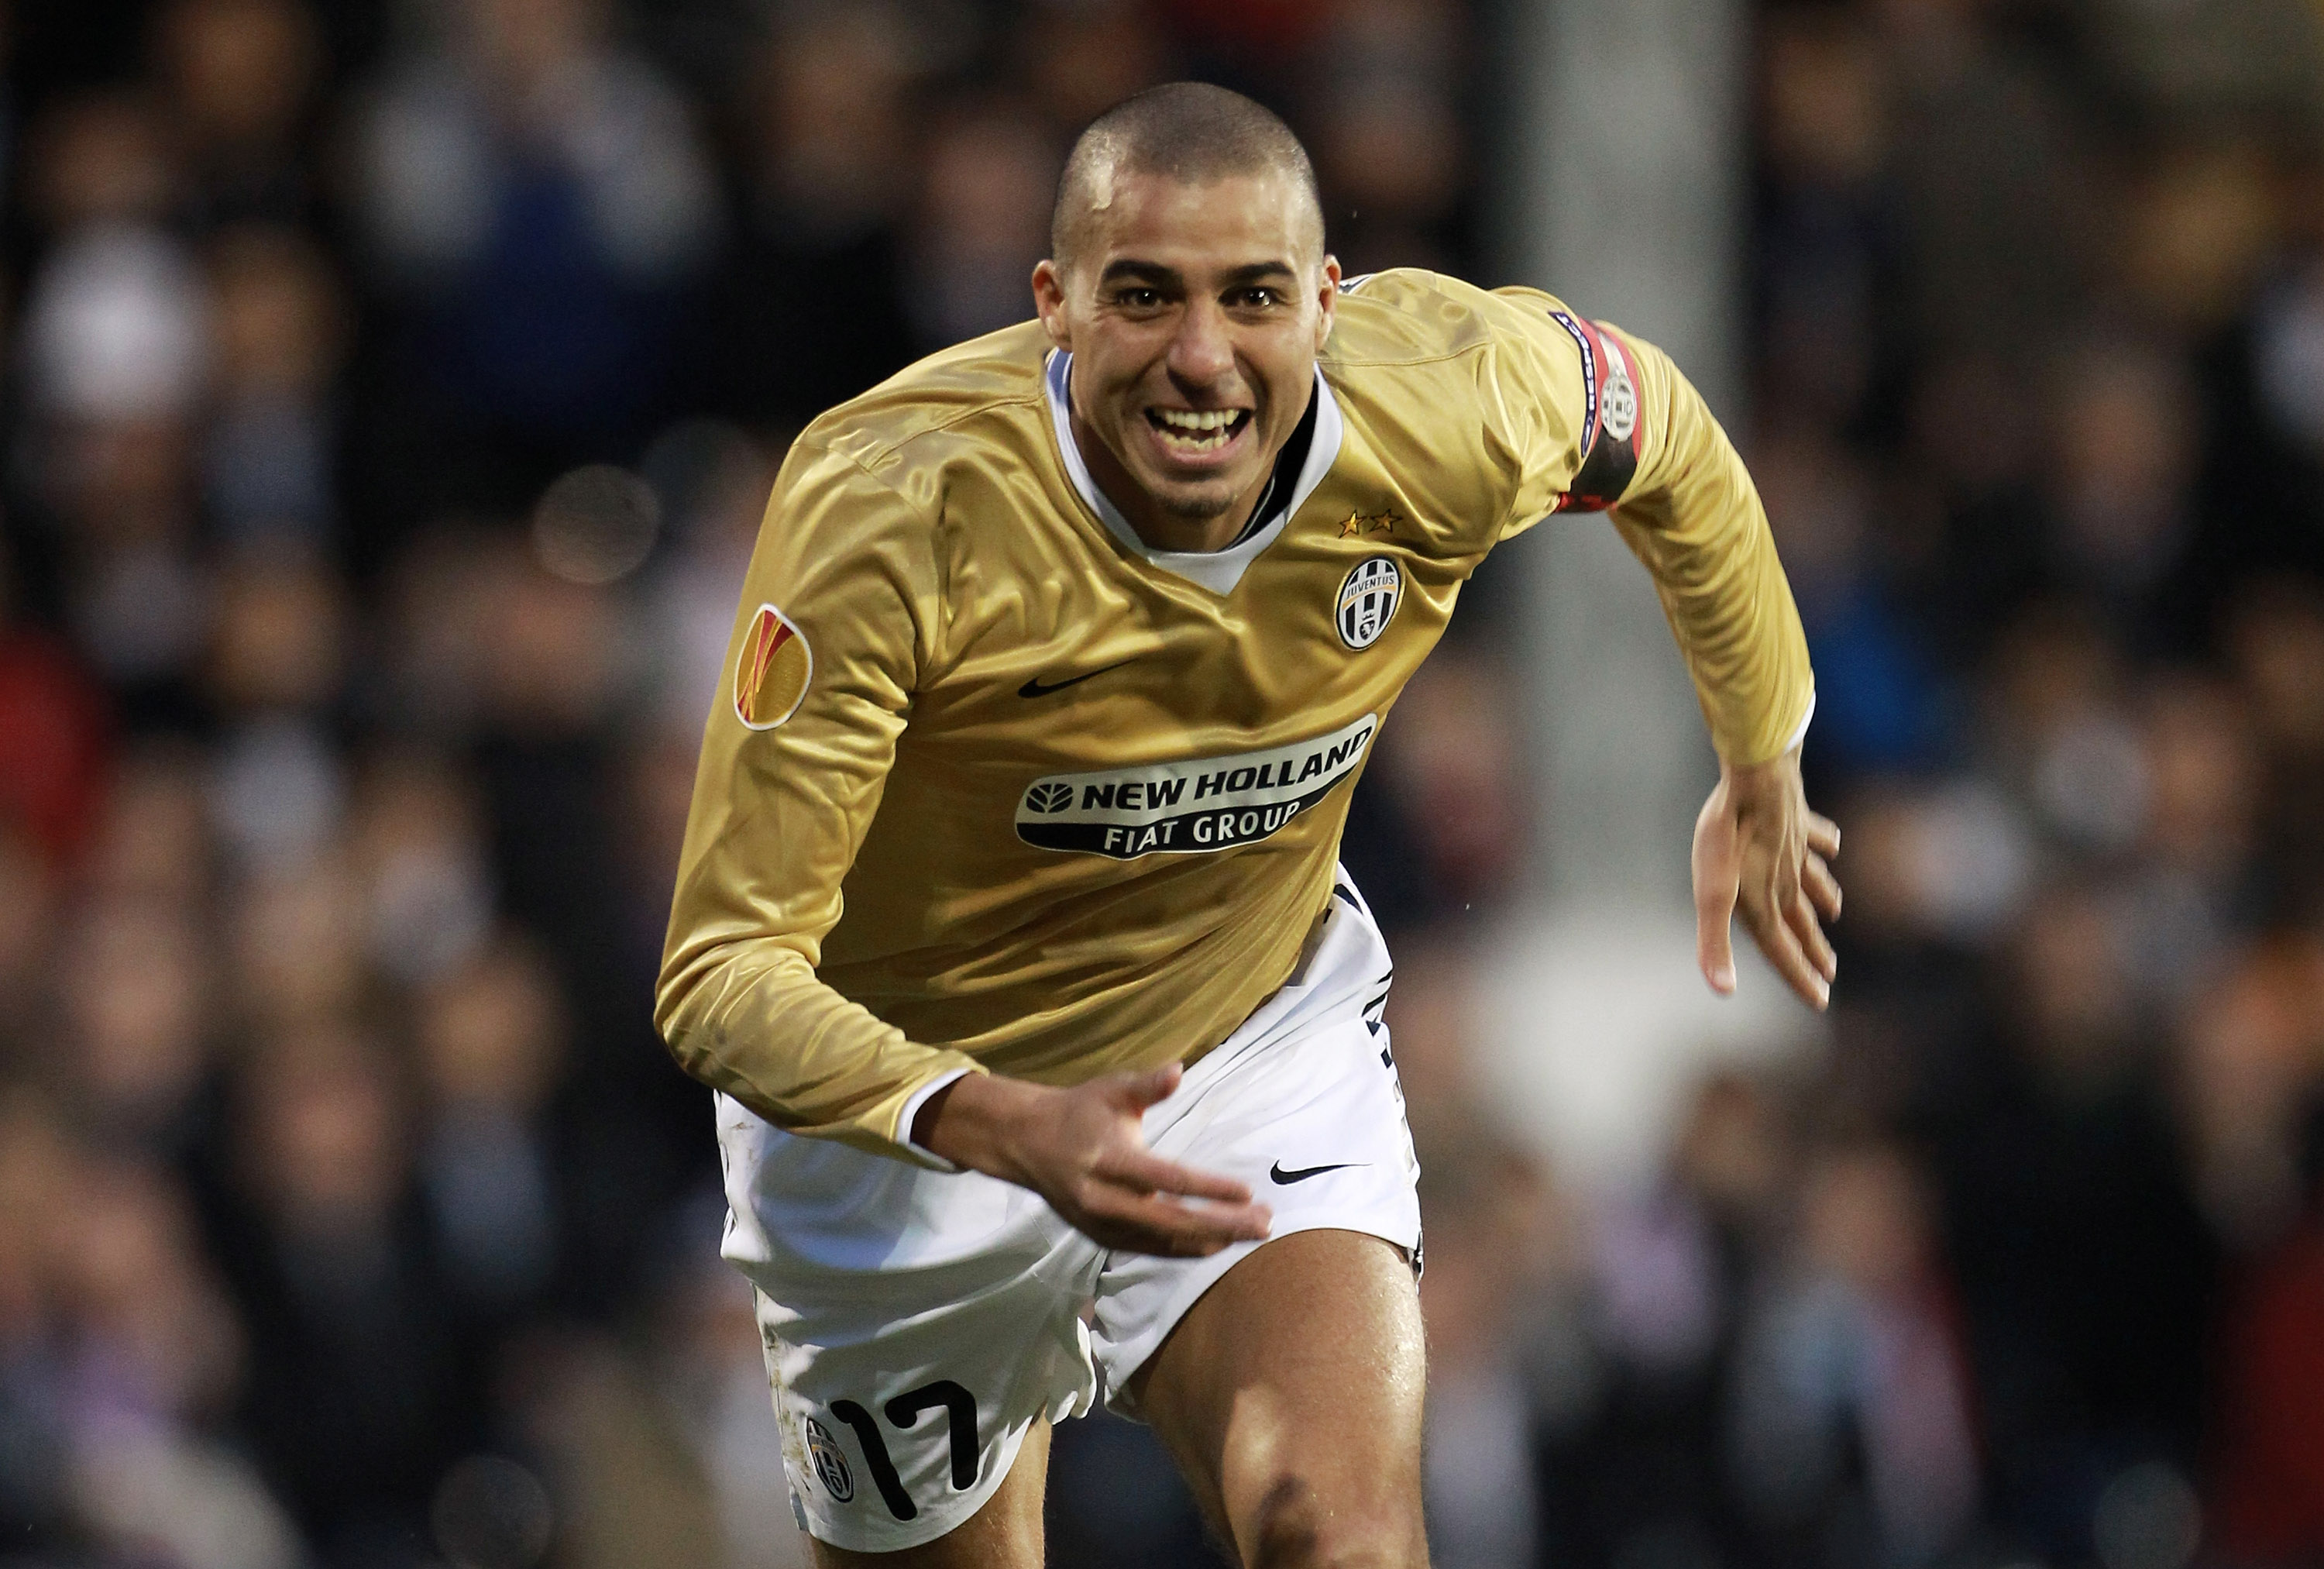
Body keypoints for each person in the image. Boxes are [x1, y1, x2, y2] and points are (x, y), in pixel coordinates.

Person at [658, 81, 1841, 1567]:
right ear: (1054, 306)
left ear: (1327, 302)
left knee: (1336, 1533)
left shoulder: (1452, 403)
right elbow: (717, 978)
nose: (1200, 358)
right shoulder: (894, 503)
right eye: (1143, 296)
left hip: (1245, 1048)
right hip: (915, 1124)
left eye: (1254, 297)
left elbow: (1660, 428)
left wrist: (1764, 748)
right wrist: (1004, 1119)